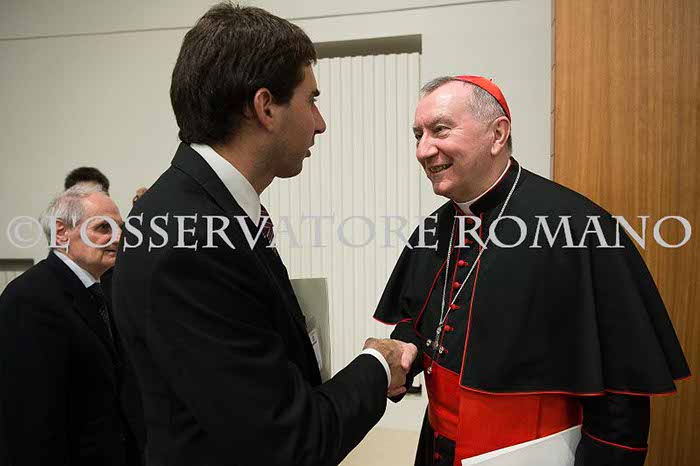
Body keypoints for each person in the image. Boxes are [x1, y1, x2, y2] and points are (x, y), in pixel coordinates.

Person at [111, 4, 417, 466]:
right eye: (311, 100)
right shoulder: (191, 242)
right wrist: (378, 365)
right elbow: (291, 441)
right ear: (265, 107)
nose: (320, 123)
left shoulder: (205, 212)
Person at [374, 76, 690, 466]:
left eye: (440, 130)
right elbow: (418, 319)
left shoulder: (580, 227)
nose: (423, 150)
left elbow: (621, 394)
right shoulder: (433, 229)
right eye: (417, 135)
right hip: (438, 447)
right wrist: (404, 351)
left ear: (497, 134)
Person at [0, 185, 143, 465]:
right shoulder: (30, 298)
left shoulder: (102, 290)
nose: (118, 237)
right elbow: (29, 418)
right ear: (61, 232)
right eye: (103, 227)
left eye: (120, 228)